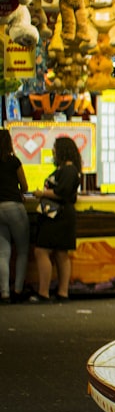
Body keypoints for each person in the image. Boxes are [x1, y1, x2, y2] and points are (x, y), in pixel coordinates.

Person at [31, 136, 81, 302]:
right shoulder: (68, 169)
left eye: (55, 147)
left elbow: (62, 192)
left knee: (42, 250)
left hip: (58, 216)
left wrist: (41, 193)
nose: (52, 150)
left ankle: (43, 292)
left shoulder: (68, 170)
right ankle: (62, 292)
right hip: (62, 216)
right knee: (61, 253)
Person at [0, 130, 30, 303]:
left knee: (2, 253)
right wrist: (19, 192)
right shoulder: (14, 161)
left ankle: (4, 293)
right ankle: (18, 290)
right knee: (22, 250)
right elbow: (25, 186)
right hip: (14, 206)